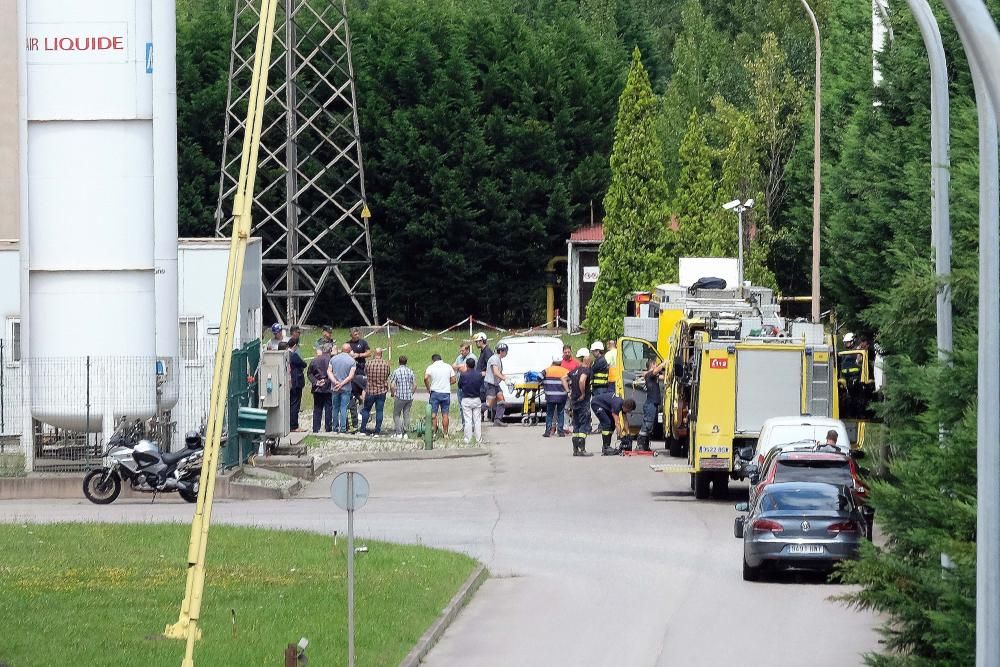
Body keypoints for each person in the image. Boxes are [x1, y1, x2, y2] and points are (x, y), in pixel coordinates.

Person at [568, 349, 594, 457]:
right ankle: (582, 449)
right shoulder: (585, 370)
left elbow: (563, 378)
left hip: (574, 401)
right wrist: (583, 393)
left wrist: (568, 391)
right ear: (585, 358)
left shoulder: (574, 371)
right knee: (584, 423)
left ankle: (575, 450)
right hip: (583, 401)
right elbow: (582, 381)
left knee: (576, 424)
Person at [360, 348, 390, 436]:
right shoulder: (386, 364)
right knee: (379, 411)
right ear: (381, 354)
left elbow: (366, 374)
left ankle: (362, 429)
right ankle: (377, 431)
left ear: (374, 354)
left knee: (366, 410)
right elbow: (387, 375)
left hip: (370, 390)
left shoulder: (368, 363)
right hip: (381, 391)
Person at [424, 353, 456, 436]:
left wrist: (428, 387)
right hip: (446, 392)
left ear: (433, 360)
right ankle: (445, 433)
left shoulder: (431, 367)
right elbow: (453, 380)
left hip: (435, 392)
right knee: (445, 414)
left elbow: (426, 378)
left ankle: (434, 432)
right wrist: (446, 383)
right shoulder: (448, 366)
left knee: (433, 414)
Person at [327, 343, 356, 433]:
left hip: (335, 387)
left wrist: (335, 382)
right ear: (349, 350)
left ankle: (335, 427)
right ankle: (343, 428)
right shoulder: (352, 361)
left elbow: (329, 371)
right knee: (343, 408)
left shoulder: (333, 359)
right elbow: (351, 376)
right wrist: (342, 383)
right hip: (346, 387)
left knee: (335, 407)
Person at [458, 358, 485, 444]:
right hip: (477, 399)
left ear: (466, 365)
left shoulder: (463, 375)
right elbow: (481, 384)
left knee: (468, 420)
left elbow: (459, 386)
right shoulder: (479, 375)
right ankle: (478, 439)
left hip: (466, 399)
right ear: (474, 365)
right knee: (477, 420)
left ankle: (467, 439)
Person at [541, 355, 570, 437]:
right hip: (562, 396)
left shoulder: (547, 370)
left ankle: (548, 431)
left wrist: (543, 383)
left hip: (550, 395)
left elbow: (539, 377)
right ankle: (560, 432)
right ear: (561, 362)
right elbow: (570, 381)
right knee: (560, 413)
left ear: (552, 361)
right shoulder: (565, 371)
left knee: (550, 413)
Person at [307, 343, 334, 432]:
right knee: (328, 408)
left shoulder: (314, 360)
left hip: (317, 388)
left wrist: (316, 382)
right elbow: (333, 373)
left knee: (317, 408)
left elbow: (309, 373)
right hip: (328, 387)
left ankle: (315, 428)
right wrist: (326, 381)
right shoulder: (331, 361)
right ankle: (328, 428)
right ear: (330, 350)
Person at [388, 355, 416, 438]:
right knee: (406, 414)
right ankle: (406, 432)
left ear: (398, 362)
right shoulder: (410, 371)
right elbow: (415, 385)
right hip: (409, 397)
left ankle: (399, 432)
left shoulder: (396, 371)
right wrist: (411, 393)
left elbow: (392, 385)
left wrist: (393, 393)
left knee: (396, 414)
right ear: (406, 362)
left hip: (400, 396)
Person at [485, 343, 509, 427]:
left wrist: (505, 376)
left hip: (495, 384)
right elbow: (495, 372)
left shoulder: (498, 359)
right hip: (490, 384)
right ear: (502, 351)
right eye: (506, 351)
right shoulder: (494, 359)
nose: (506, 353)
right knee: (489, 404)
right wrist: (504, 378)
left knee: (501, 400)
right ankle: (475, 412)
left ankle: (498, 420)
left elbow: (499, 372)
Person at [453, 342, 476, 427]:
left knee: (469, 406)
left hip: (468, 385)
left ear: (467, 350)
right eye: (460, 351)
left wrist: (458, 367)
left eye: (462, 351)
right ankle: (464, 425)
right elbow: (453, 365)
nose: (461, 352)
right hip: (460, 385)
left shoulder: (472, 357)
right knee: (461, 407)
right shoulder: (459, 357)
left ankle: (471, 425)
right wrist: (460, 367)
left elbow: (465, 369)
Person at [288, 339, 307, 431]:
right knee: (295, 404)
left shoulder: (285, 354)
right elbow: (303, 364)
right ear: (294, 345)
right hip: (296, 382)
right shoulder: (293, 355)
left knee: (290, 403)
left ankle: (289, 423)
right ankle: (294, 425)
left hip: (289, 382)